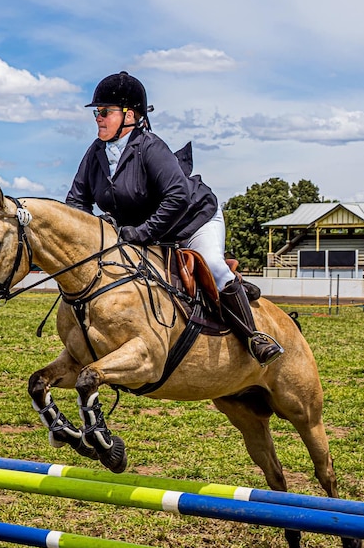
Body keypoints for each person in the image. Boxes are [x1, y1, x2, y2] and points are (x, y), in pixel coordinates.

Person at [65, 71, 283, 366]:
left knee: (214, 265)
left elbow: (177, 197)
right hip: (150, 231)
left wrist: (141, 234)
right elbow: (77, 201)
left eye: (105, 112)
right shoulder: (96, 153)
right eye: (97, 113)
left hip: (193, 219)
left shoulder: (150, 147)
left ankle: (254, 336)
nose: (98, 118)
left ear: (130, 115)